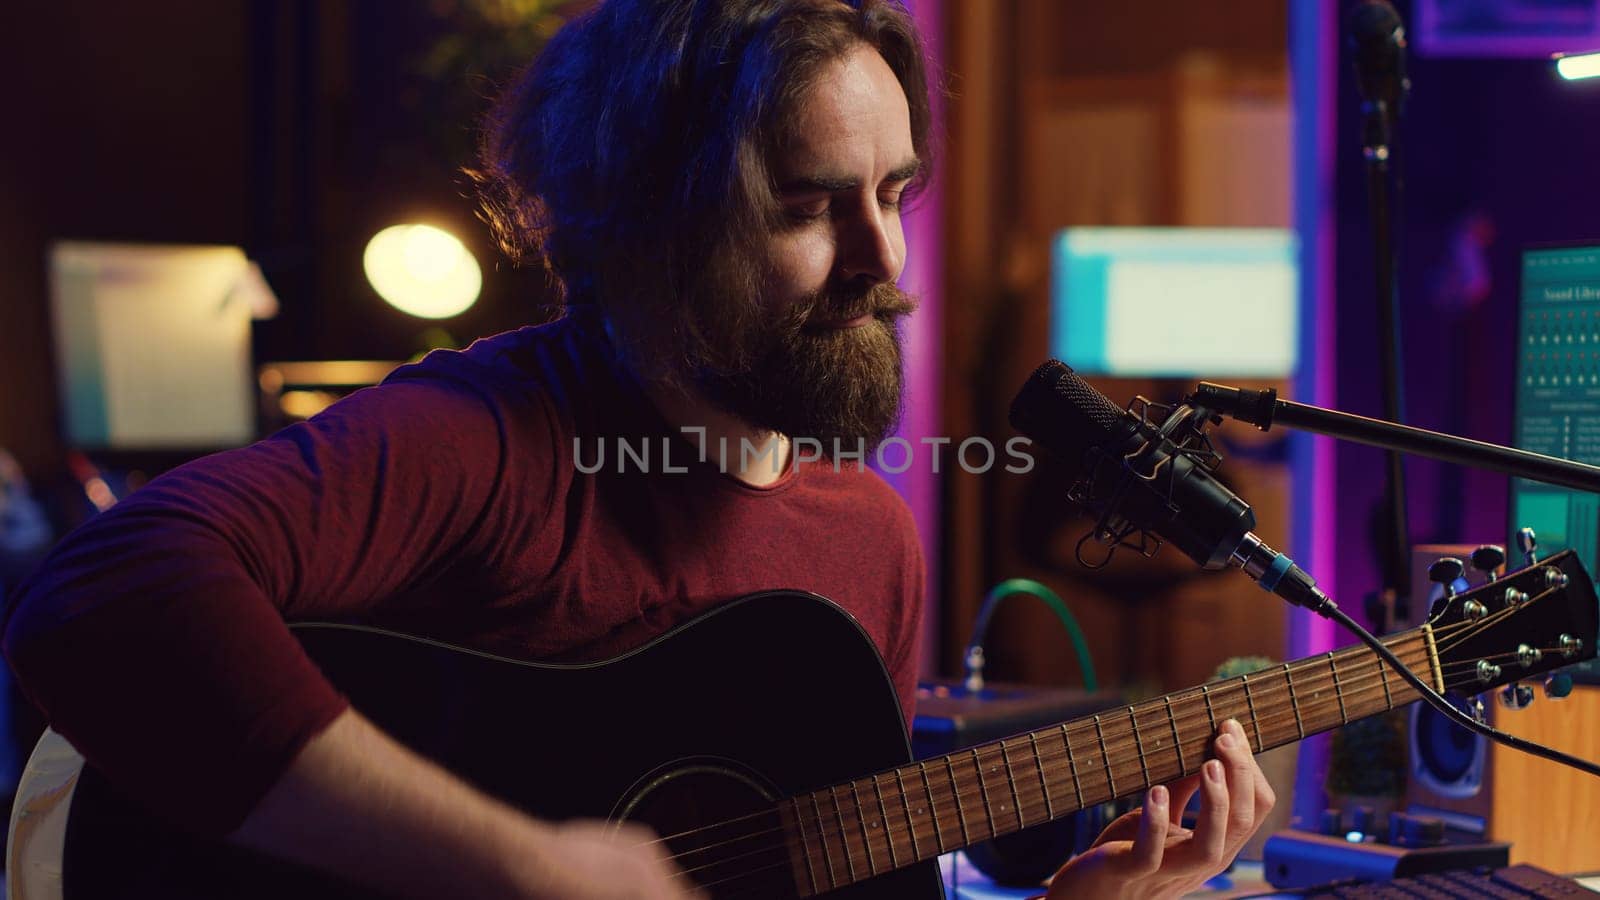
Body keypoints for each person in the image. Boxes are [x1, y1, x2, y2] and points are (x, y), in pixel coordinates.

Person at [2, 1, 1273, 897]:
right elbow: (101, 598)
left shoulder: (866, 541)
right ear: (651, 224)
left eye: (892, 195)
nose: (887, 263)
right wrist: (518, 866)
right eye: (808, 205)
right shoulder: (483, 441)